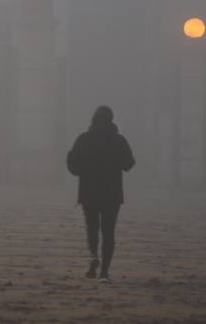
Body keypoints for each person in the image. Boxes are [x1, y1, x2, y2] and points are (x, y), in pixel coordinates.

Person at [66, 105, 135, 283]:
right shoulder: (119, 140)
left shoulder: (84, 139)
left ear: (94, 119)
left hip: (89, 192)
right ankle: (104, 271)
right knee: (108, 231)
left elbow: (72, 166)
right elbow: (129, 164)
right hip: (112, 193)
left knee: (92, 227)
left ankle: (93, 255)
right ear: (111, 119)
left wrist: (83, 167)